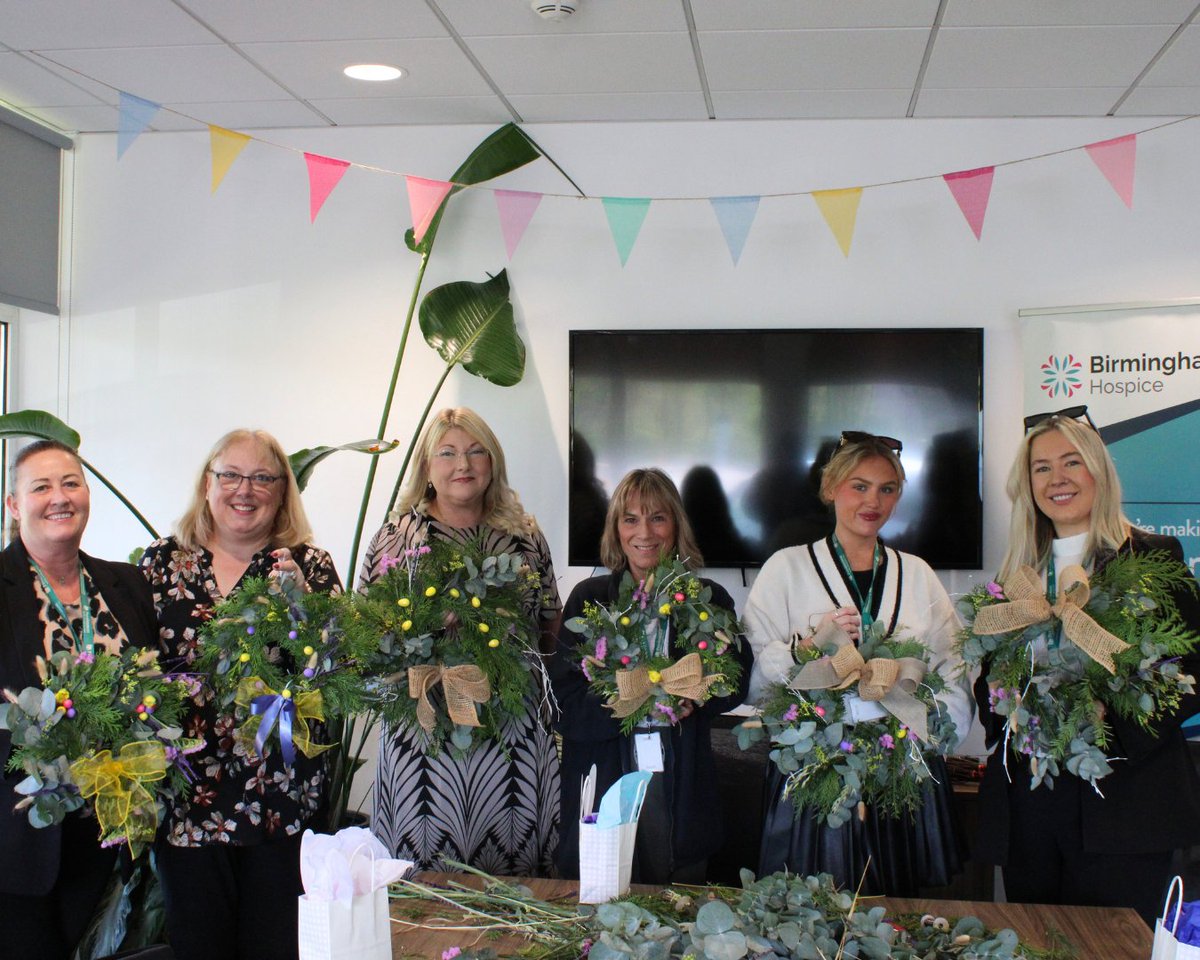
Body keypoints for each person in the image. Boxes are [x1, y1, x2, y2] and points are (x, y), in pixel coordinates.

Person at [974, 408, 1200, 923]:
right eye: (1042, 467)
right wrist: (1004, 705)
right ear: (1027, 484)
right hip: (1032, 806)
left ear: (1098, 470)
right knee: (1037, 944)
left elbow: (1192, 669)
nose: (1058, 479)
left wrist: (1109, 722)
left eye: (1072, 462)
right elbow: (990, 682)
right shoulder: (1018, 574)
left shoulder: (1156, 557)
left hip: (1125, 803)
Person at [139, 429, 341, 960]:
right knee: (198, 945)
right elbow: (133, 669)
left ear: (281, 492)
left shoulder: (309, 567)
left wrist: (303, 609)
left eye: (260, 478)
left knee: (275, 947)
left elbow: (339, 669)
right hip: (187, 799)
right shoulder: (162, 564)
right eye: (229, 475)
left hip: (280, 796)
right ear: (208, 484)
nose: (243, 489)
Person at [744, 431, 972, 895]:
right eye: (859, 486)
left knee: (903, 913)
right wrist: (808, 647)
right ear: (831, 489)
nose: (873, 501)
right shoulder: (785, 569)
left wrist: (926, 729)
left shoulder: (919, 574)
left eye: (887, 488)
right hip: (817, 773)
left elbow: (953, 665)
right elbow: (759, 670)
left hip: (904, 771)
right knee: (815, 909)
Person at [360, 407, 561, 875]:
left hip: (513, 731)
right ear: (427, 466)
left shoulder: (524, 535)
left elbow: (550, 620)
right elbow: (367, 635)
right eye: (447, 453)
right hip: (426, 734)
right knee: (426, 876)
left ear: (493, 462)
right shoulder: (397, 538)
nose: (462, 465)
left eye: (475, 452)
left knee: (518, 877)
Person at [551, 467, 754, 883]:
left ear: (676, 526)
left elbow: (736, 679)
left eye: (658, 517)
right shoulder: (589, 600)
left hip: (680, 780)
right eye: (631, 519)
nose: (645, 531)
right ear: (617, 530)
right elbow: (563, 702)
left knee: (678, 910)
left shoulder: (709, 599)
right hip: (607, 774)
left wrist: (694, 696)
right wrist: (629, 698)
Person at [0, 440, 158, 960]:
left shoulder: (128, 584)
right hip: (21, 845)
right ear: (14, 504)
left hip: (114, 838)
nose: (59, 497)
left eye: (71, 483)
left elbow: (158, 689)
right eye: (40, 487)